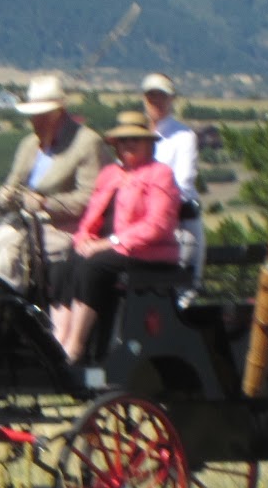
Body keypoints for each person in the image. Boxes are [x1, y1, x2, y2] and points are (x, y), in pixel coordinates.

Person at [0, 71, 110, 300]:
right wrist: (6, 196)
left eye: (41, 115)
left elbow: (92, 198)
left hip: (66, 229)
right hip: (24, 225)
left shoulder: (87, 143)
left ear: (58, 113)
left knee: (11, 253)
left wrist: (46, 204)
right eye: (33, 115)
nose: (34, 121)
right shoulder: (29, 145)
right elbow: (12, 184)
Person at [52, 111, 180, 362]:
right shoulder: (110, 175)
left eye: (135, 139)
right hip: (108, 250)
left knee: (92, 268)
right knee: (61, 269)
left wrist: (109, 243)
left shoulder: (159, 174)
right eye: (124, 140)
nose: (128, 144)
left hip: (145, 252)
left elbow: (158, 225)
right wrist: (84, 241)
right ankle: (58, 342)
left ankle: (76, 347)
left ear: (149, 144)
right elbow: (90, 219)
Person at [140, 72, 205, 283]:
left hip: (179, 223)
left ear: (171, 99)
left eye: (162, 96)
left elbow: (183, 183)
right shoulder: (137, 135)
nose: (156, 102)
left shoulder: (184, 137)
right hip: (143, 223)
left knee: (177, 288)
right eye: (152, 96)